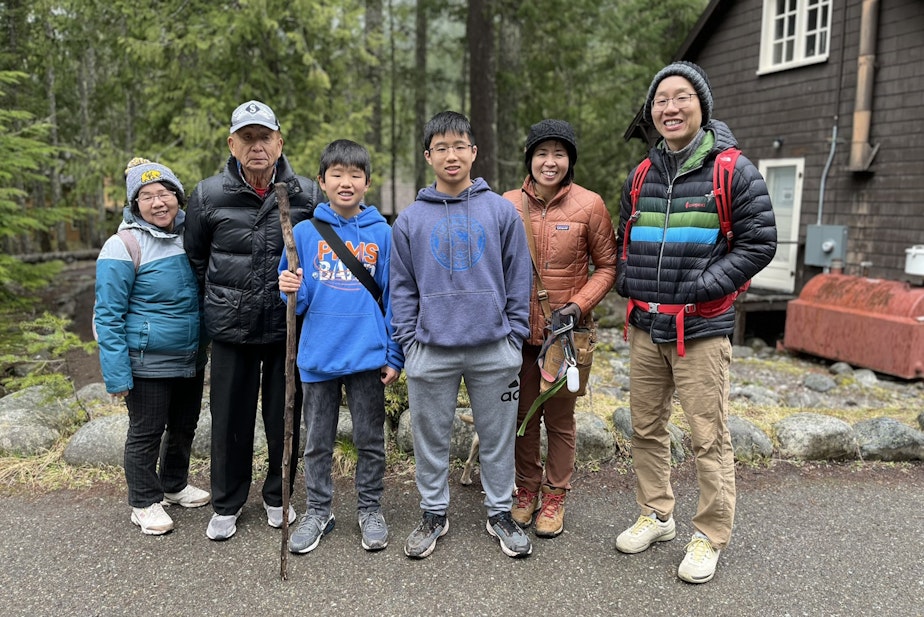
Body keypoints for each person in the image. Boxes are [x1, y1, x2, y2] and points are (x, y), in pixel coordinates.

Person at [614, 62, 777, 583]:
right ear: (652, 112)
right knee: (645, 428)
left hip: (701, 329)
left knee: (708, 436)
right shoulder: (642, 174)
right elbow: (624, 236)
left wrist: (708, 286)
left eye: (681, 97)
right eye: (661, 100)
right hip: (645, 325)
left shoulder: (733, 169)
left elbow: (760, 242)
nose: (670, 108)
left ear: (701, 106)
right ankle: (657, 513)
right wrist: (627, 278)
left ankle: (709, 535)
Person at [390, 110, 533, 559]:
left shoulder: (500, 212)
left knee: (497, 437)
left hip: (494, 347)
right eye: (441, 148)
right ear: (428, 156)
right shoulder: (410, 221)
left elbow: (518, 276)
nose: (451, 156)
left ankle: (499, 512)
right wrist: (410, 343)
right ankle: (434, 511)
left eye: (459, 146)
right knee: (429, 437)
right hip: (431, 349)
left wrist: (515, 337)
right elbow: (401, 287)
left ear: (474, 152)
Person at [184, 100, 321, 541]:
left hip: (287, 326)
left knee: (285, 416)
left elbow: (320, 253)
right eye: (247, 138)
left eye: (265, 137)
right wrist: (225, 299)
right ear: (232, 143)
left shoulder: (306, 194)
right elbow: (196, 258)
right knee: (229, 419)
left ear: (280, 142)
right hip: (232, 328)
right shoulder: (207, 195)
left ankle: (279, 497)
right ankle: (226, 502)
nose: (257, 147)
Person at [277, 139, 404, 554]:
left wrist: (393, 353)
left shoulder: (382, 233)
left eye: (354, 175)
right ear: (322, 181)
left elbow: (392, 297)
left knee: (370, 438)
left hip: (367, 354)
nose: (345, 182)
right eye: (337, 174)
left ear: (367, 182)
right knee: (317, 440)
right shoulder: (303, 233)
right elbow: (297, 297)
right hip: (319, 356)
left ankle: (369, 508)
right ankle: (318, 510)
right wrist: (288, 288)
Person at [501, 119, 618, 538]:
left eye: (559, 153)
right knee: (522, 416)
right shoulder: (507, 203)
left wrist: (577, 305)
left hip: (566, 335)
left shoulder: (590, 205)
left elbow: (607, 266)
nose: (550, 162)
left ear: (570, 160)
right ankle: (526, 488)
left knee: (561, 420)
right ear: (529, 159)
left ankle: (555, 494)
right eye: (541, 153)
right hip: (517, 333)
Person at [94, 158, 210, 535]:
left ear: (178, 196)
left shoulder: (189, 235)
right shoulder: (122, 245)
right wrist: (116, 373)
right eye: (147, 197)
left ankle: (174, 485)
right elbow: (107, 315)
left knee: (183, 427)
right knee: (145, 432)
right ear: (134, 204)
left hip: (190, 354)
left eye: (165, 193)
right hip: (146, 360)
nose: (159, 203)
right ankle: (144, 501)